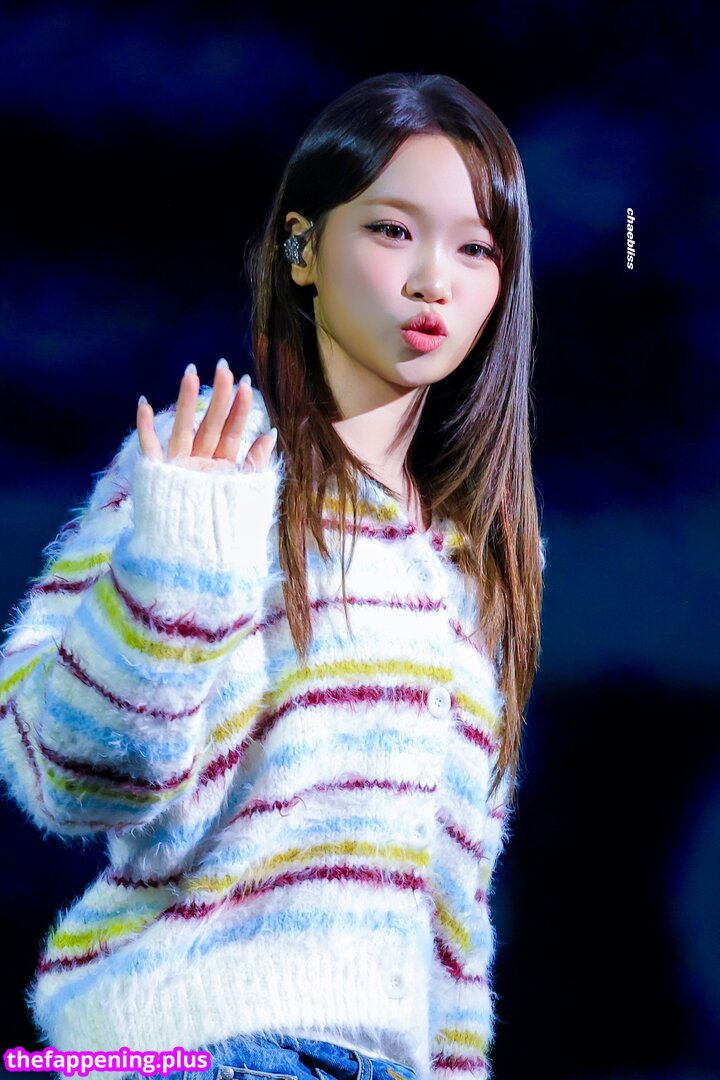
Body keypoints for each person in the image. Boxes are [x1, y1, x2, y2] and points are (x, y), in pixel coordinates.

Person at [0, 72, 545, 1080]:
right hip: (195, 1047)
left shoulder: (478, 560)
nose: (435, 279)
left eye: (476, 247)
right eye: (392, 230)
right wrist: (180, 558)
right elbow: (58, 773)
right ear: (303, 250)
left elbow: (455, 917)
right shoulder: (218, 459)